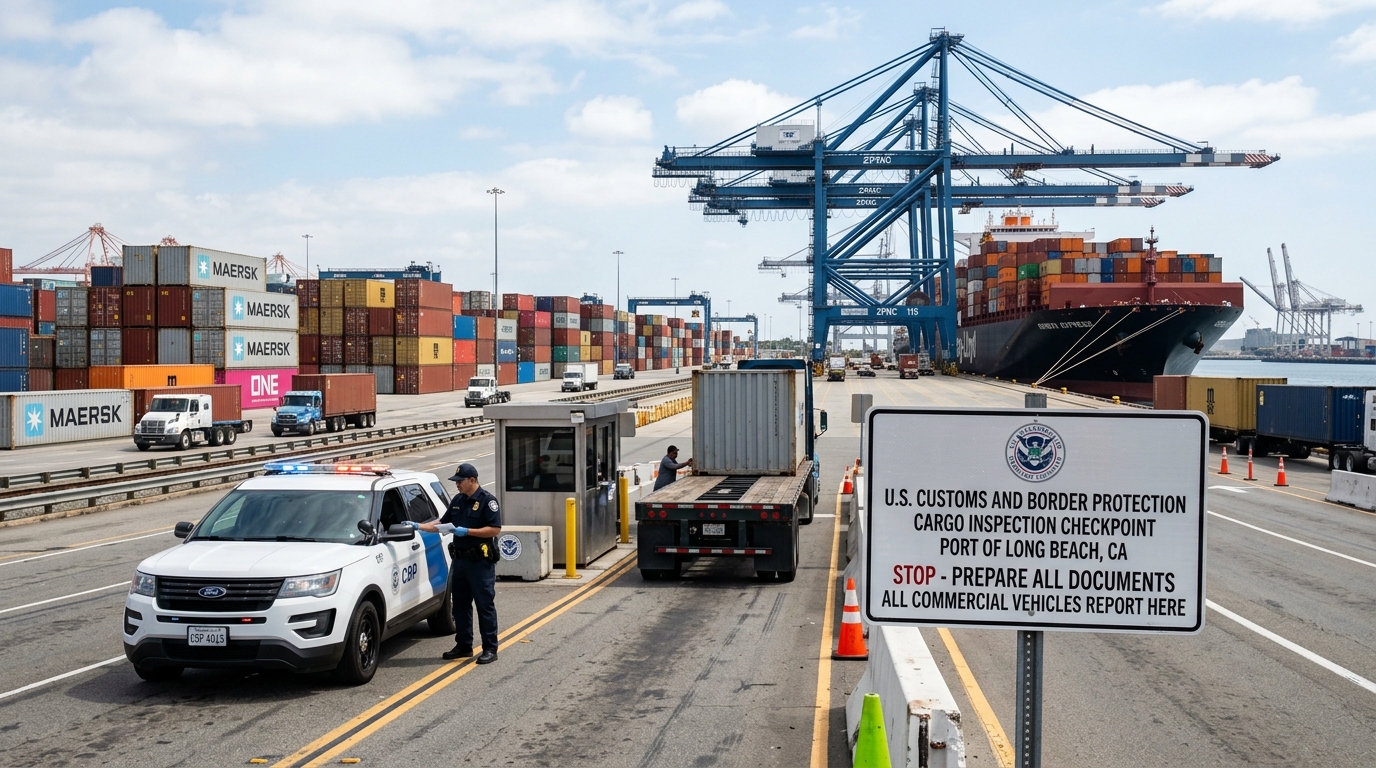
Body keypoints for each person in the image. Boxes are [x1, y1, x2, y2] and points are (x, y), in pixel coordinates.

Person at [416, 463, 502, 664]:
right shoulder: (458, 501)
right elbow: (442, 523)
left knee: (484, 605)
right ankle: (464, 645)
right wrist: (419, 526)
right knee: (460, 605)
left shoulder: (487, 501)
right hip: (460, 560)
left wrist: (468, 531)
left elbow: (494, 529)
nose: (457, 485)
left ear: (472, 480)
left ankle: (490, 648)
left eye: (460, 482)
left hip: (479, 562)